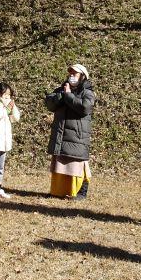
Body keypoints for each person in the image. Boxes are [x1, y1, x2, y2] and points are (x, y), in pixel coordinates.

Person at [44, 64, 95, 201]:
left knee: (77, 164)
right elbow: (49, 103)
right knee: (60, 162)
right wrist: (62, 94)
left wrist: (68, 96)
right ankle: (58, 191)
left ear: (83, 76)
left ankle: (80, 192)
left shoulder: (87, 92)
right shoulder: (62, 89)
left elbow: (85, 108)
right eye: (70, 73)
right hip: (61, 135)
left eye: (75, 74)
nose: (71, 76)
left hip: (77, 136)